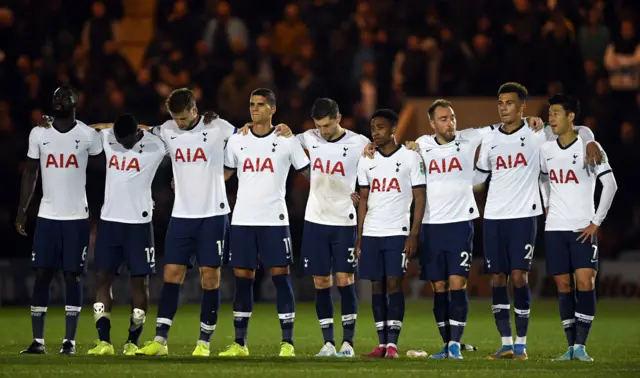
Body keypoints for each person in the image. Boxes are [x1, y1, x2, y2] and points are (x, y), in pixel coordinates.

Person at [474, 82, 602, 360]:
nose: (503, 107)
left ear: (522, 107)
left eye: (509, 103)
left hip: (524, 215)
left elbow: (574, 129)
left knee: (519, 277)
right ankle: (506, 343)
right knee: (497, 278)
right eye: (500, 103)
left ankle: (521, 343)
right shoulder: (490, 138)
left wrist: (590, 138)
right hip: (494, 216)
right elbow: (478, 178)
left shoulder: (537, 133)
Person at [135, 88, 237, 357]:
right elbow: (140, 130)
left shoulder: (218, 127)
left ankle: (204, 342)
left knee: (210, 277)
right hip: (181, 216)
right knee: (171, 275)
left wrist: (221, 175)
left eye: (183, 117)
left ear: (194, 109)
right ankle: (160, 340)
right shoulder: (168, 130)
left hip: (213, 215)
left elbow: (247, 141)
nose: (179, 123)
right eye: (175, 118)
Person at [219, 88, 309, 357]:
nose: (254, 109)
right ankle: (239, 343)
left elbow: (308, 173)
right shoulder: (238, 140)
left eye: (260, 104)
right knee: (243, 280)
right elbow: (223, 175)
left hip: (274, 219)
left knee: (281, 278)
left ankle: (287, 343)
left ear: (272, 109)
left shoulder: (286, 140)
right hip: (243, 219)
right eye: (251, 104)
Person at [17, 85, 103, 355]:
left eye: (65, 97)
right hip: (47, 216)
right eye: (56, 97)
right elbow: (30, 172)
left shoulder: (88, 135)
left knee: (73, 276)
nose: (59, 100)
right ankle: (38, 341)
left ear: (77, 102)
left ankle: (70, 342)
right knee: (42, 275)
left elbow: (106, 168)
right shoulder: (39, 133)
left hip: (77, 217)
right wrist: (22, 208)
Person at [540, 94, 617, 362]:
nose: (551, 117)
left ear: (571, 117)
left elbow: (611, 185)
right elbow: (542, 177)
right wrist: (546, 202)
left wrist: (596, 221)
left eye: (556, 113)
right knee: (563, 286)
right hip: (555, 228)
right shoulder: (546, 148)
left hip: (582, 228)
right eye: (550, 113)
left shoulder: (589, 147)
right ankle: (570, 347)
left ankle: (582, 346)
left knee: (585, 282)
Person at [87, 114, 167, 356]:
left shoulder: (157, 144)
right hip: (109, 222)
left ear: (138, 133)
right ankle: (104, 342)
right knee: (102, 279)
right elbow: (84, 130)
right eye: (119, 139)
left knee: (139, 283)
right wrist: (108, 126)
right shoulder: (110, 138)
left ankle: (133, 341)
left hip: (139, 225)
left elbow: (183, 140)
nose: (123, 145)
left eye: (128, 140)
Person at [356, 109, 426, 359]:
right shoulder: (366, 159)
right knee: (376, 286)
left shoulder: (410, 158)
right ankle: (381, 343)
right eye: (373, 127)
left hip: (398, 232)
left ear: (394, 128)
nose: (375, 132)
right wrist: (359, 237)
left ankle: (393, 345)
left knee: (394, 284)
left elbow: (419, 197)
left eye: (381, 127)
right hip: (373, 232)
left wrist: (414, 234)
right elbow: (363, 199)